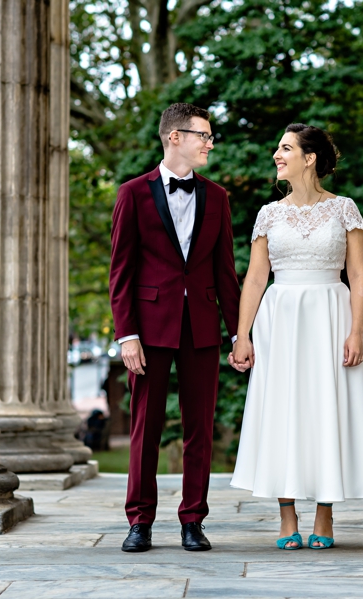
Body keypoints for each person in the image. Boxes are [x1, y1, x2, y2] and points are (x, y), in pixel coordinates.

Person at [228, 124, 363, 550]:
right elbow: (256, 279)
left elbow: (357, 276)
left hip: (331, 316)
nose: (277, 154)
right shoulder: (268, 214)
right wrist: (242, 336)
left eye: (286, 148)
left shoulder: (345, 209)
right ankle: (286, 516)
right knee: (284, 410)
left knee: (326, 409)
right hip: (280, 319)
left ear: (309, 158)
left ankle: (325, 514)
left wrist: (356, 331)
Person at [109, 103, 241, 552]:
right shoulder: (132, 194)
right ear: (174, 137)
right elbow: (121, 272)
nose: (209, 143)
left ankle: (192, 520)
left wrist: (239, 333)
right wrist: (126, 335)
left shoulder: (218, 198)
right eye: (203, 135)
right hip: (147, 331)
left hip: (202, 327)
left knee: (198, 430)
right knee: (146, 427)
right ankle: (139, 521)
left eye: (209, 136)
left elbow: (227, 273)